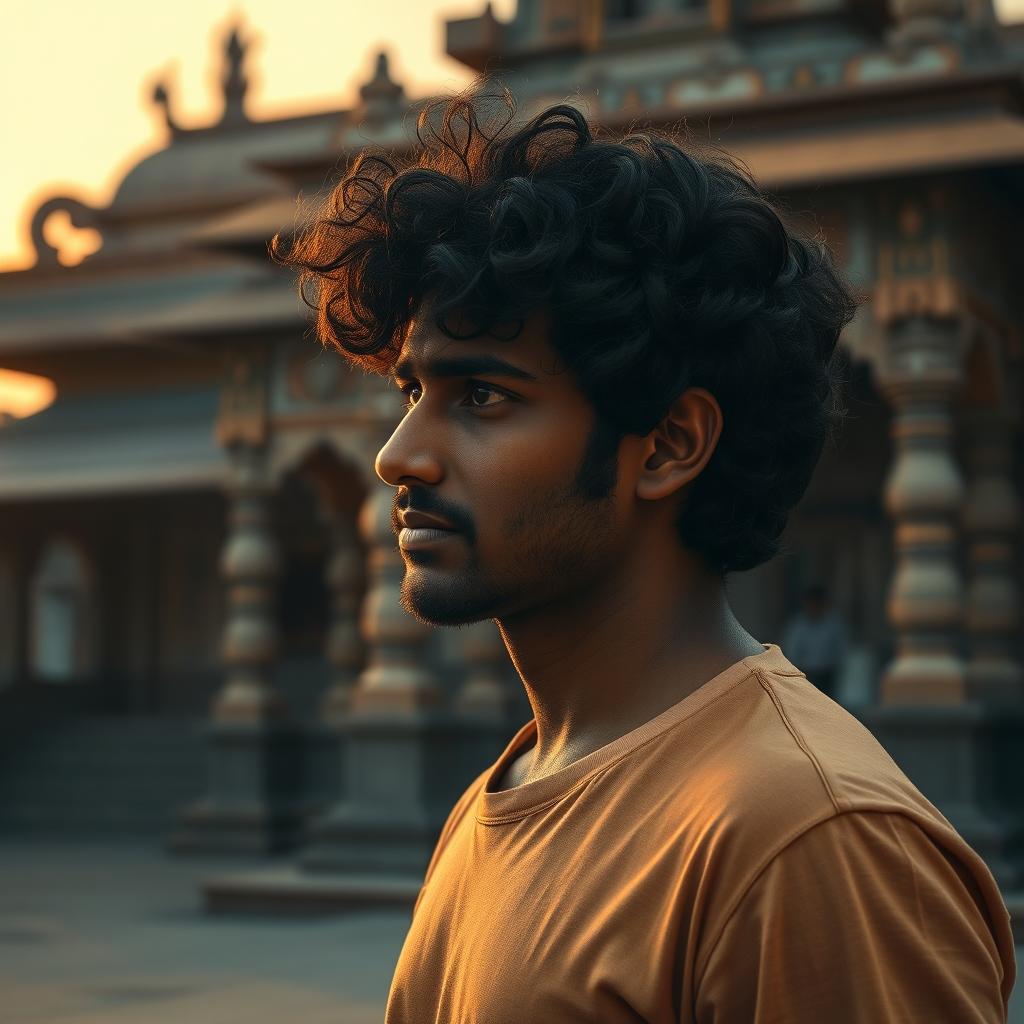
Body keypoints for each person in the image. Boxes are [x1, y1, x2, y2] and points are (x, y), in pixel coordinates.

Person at [274, 86, 1015, 1023]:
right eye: (411, 389)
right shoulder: (502, 796)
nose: (399, 455)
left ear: (666, 446)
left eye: (484, 398)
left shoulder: (804, 837)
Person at [782, 582, 848, 701]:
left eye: (818, 604)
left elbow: (841, 651)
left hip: (828, 676)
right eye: (812, 604)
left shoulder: (833, 624)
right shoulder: (798, 625)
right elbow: (792, 653)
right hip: (805, 675)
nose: (814, 607)